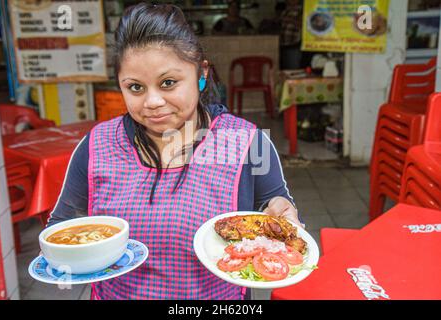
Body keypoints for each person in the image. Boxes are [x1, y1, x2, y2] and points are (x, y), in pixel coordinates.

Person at [46, 2, 303, 300]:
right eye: (135, 88)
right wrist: (80, 258)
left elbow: (273, 213)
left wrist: (282, 210)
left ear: (201, 72)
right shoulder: (97, 146)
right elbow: (62, 227)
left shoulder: (246, 143)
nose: (152, 101)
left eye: (168, 83)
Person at [279, 0, 304, 69]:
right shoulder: (286, 10)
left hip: (294, 44)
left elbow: (304, 24)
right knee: (285, 69)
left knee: (293, 69)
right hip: (284, 44)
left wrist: (290, 20)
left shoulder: (302, 10)